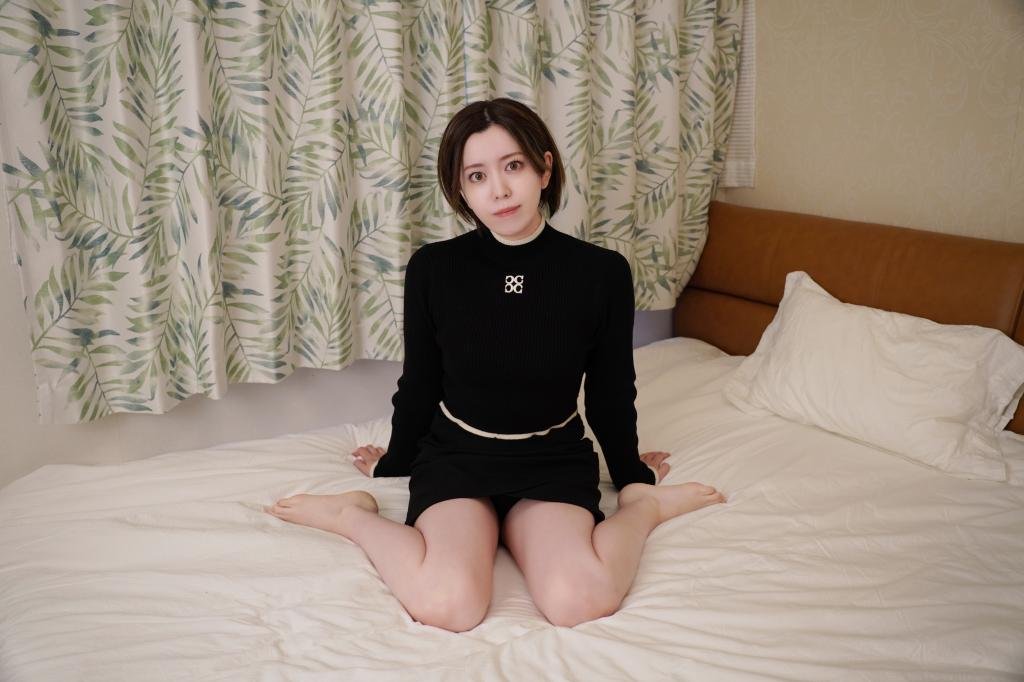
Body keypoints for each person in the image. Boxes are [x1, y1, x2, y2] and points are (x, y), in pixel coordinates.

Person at [266, 98, 725, 632]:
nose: (499, 190)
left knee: (580, 600)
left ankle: (646, 510)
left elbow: (610, 390)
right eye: (477, 175)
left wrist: (630, 477)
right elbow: (420, 383)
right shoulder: (435, 268)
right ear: (460, 189)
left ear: (544, 169)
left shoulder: (600, 273)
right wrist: (395, 464)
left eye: (513, 166)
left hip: (551, 458)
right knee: (448, 605)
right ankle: (353, 514)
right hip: (457, 455)